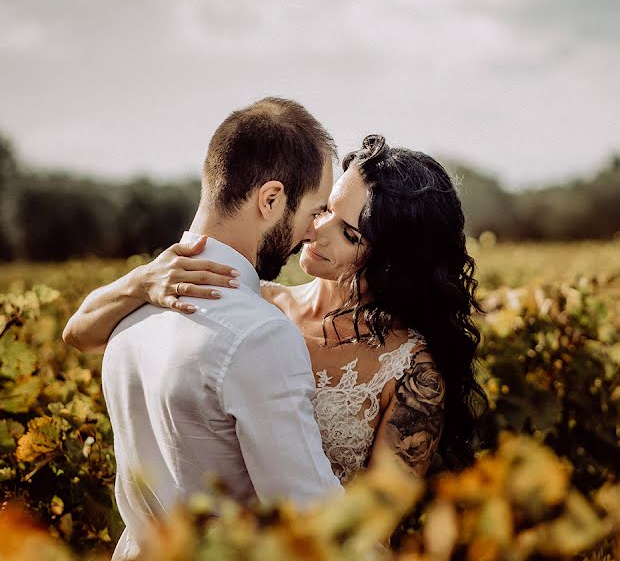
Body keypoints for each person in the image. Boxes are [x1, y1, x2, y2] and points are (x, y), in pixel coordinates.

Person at [65, 134, 487, 485]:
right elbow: (79, 334)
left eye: (349, 234)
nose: (316, 229)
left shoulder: (413, 371)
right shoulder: (251, 303)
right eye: (325, 209)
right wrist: (141, 281)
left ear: (394, 260)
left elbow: (374, 523)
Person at [63, 97, 343, 560]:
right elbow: (308, 511)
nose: (313, 231)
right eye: (313, 211)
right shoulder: (261, 335)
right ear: (270, 199)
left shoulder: (129, 312)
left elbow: (77, 333)